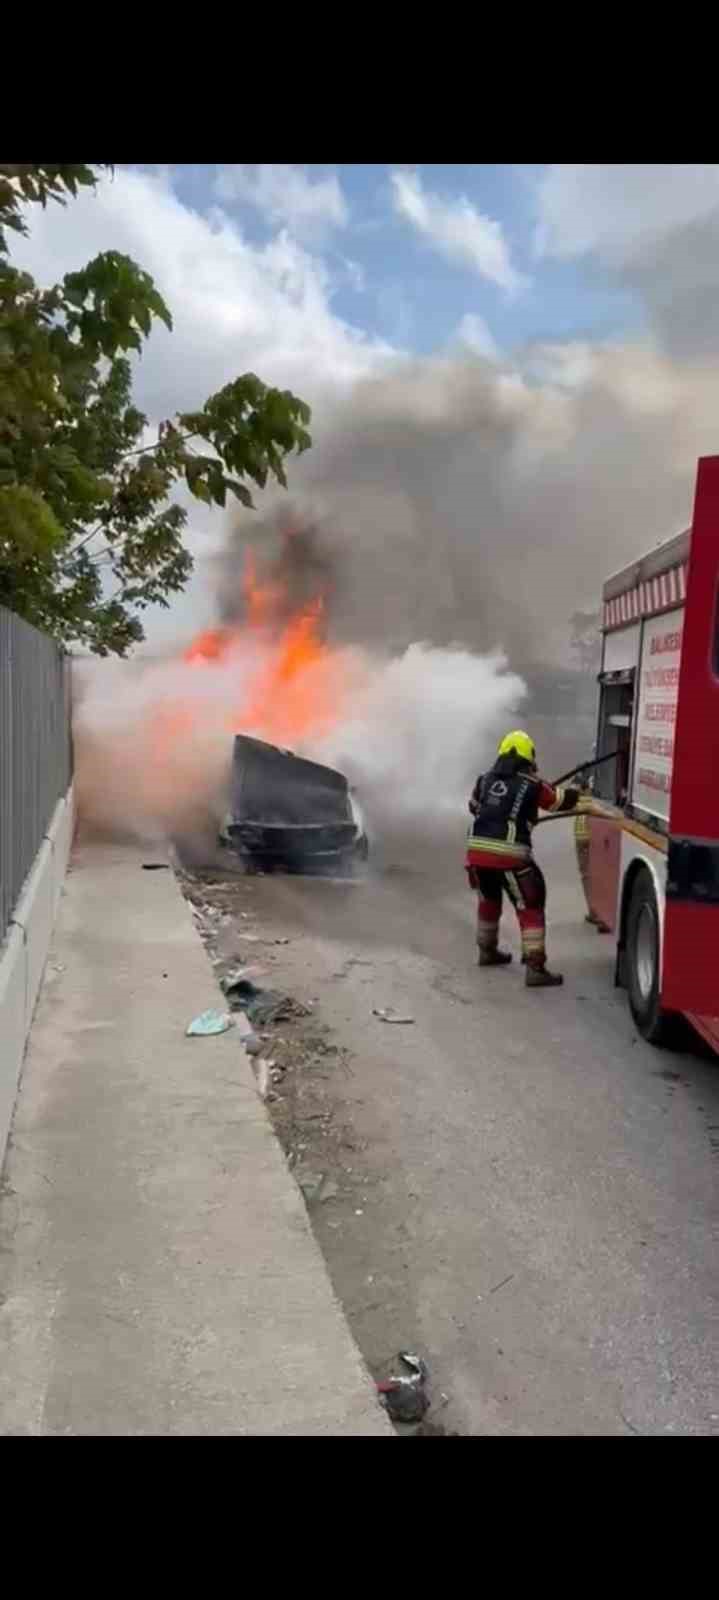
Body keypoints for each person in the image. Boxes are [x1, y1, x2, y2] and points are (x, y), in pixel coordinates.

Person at [466, 730, 583, 988]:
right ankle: (535, 967)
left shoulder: (483, 780)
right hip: (509, 853)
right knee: (530, 902)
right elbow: (558, 802)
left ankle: (487, 951)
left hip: (476, 852)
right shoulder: (532, 784)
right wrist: (578, 789)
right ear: (527, 756)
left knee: (489, 899)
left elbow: (475, 807)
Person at [573, 768, 610, 932]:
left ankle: (595, 911)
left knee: (588, 875)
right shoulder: (602, 778)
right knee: (597, 874)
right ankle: (598, 912)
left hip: (583, 836)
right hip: (594, 836)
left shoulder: (583, 775)